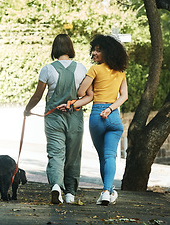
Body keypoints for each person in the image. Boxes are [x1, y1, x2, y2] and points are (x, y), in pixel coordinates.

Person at [24, 34, 93, 204]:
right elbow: (88, 95)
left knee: (55, 153)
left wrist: (27, 110)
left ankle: (56, 186)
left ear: (54, 49)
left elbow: (38, 95)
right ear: (71, 48)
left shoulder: (47, 69)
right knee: (73, 155)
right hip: (75, 117)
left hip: (53, 118)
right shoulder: (82, 69)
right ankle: (70, 192)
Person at [77, 34, 128, 205]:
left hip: (97, 115)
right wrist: (111, 108)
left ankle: (107, 191)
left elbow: (81, 92)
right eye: (94, 50)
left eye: (98, 50)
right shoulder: (121, 72)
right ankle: (108, 191)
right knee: (109, 157)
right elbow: (124, 96)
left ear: (108, 52)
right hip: (113, 116)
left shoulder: (94, 70)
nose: (94, 53)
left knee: (103, 158)